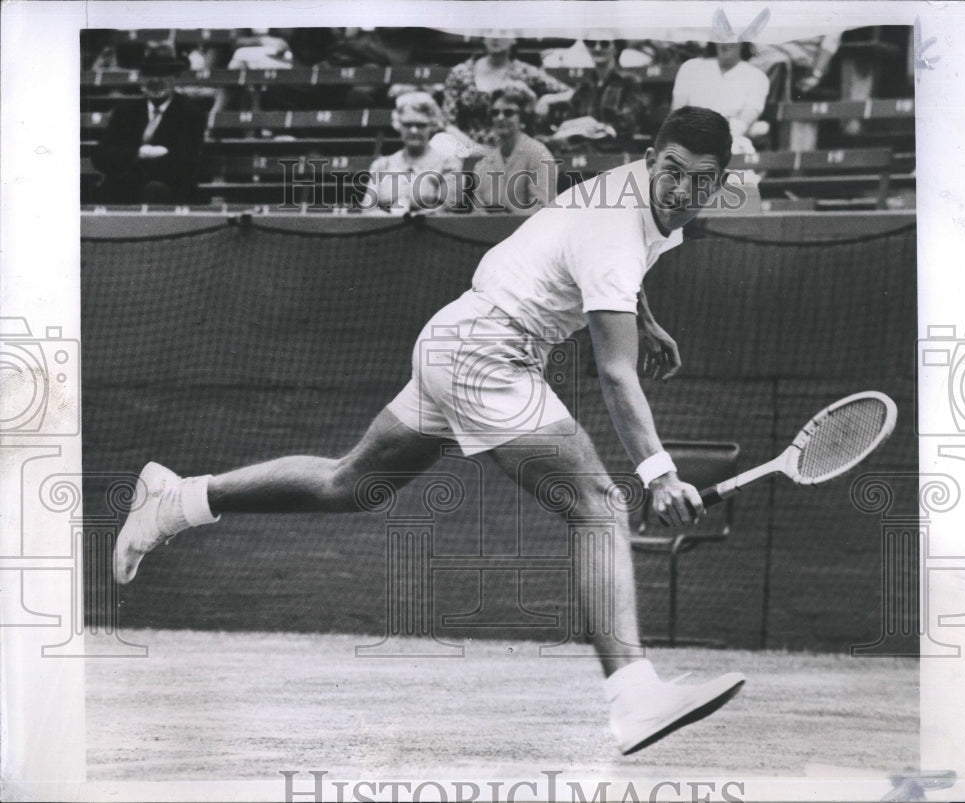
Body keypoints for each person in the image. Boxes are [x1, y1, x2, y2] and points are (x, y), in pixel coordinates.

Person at [113, 106, 746, 756]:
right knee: (598, 504)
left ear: (718, 180)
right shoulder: (619, 224)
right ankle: (633, 695)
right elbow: (615, 371)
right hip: (488, 348)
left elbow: (609, 270)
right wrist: (660, 472)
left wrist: (645, 318)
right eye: (671, 172)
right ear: (649, 158)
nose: (682, 191)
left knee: (349, 482)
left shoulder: (640, 205)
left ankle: (178, 498)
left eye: (700, 181)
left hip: (457, 336)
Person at [91, 42, 208, 204]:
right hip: (126, 184)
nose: (155, 81)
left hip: (169, 188)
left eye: (163, 75)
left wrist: (134, 163)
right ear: (141, 79)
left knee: (154, 189)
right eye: (149, 75)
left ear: (174, 78)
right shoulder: (125, 111)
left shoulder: (190, 113)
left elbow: (188, 162)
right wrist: (139, 153)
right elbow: (101, 156)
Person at [441, 31, 574, 146]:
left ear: (514, 38)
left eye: (503, 31)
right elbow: (448, 123)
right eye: (489, 30)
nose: (495, 37)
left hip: (514, 149)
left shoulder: (524, 71)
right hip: (468, 148)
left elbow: (571, 93)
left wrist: (546, 99)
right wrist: (475, 150)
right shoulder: (461, 72)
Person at [365, 92, 461, 214]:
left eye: (421, 125)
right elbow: (367, 210)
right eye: (407, 125)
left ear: (432, 126)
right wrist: (391, 219)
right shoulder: (381, 165)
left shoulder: (448, 164)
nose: (414, 130)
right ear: (398, 125)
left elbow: (447, 210)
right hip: (384, 229)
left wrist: (412, 218)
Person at [472, 82, 557, 214]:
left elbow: (543, 212)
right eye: (495, 113)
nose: (500, 118)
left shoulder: (539, 155)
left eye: (508, 113)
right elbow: (477, 214)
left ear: (522, 117)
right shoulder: (483, 164)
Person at [671, 42, 769, 150]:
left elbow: (741, 125)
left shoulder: (757, 77)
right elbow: (677, 116)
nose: (725, 42)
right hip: (688, 141)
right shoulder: (690, 68)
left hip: (728, 144)